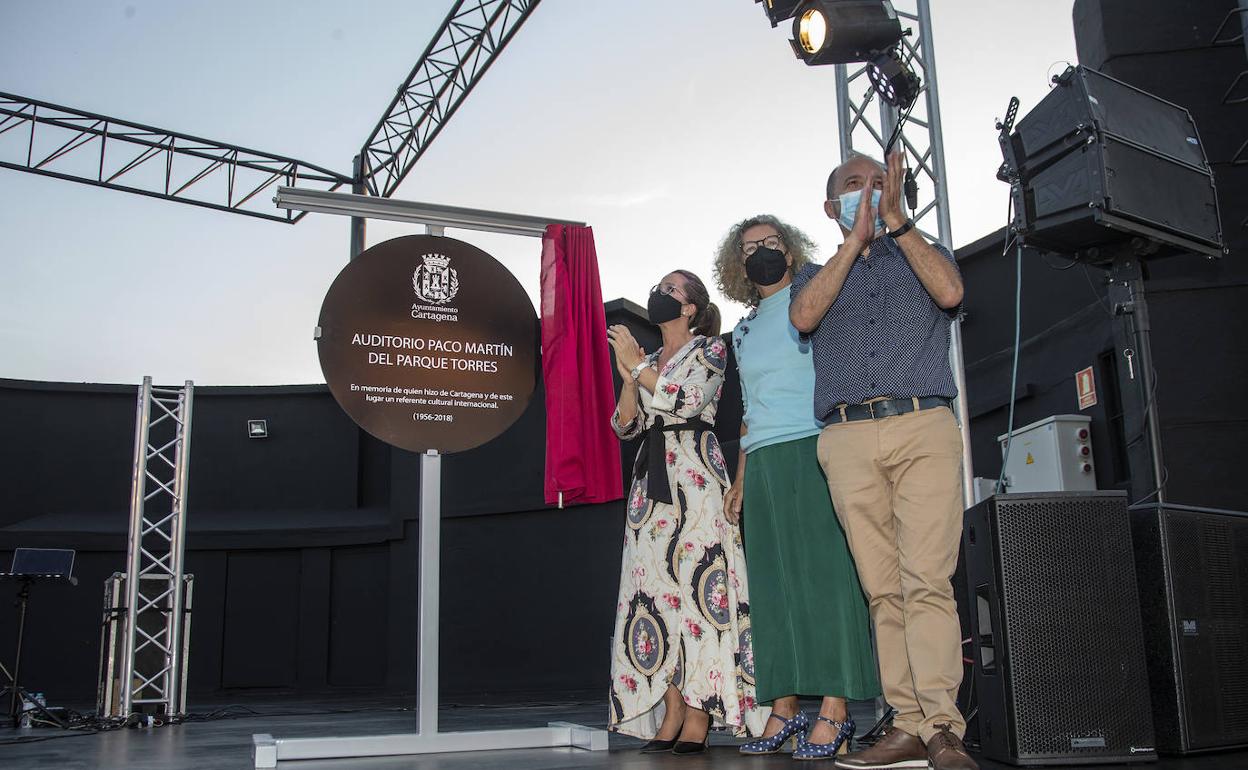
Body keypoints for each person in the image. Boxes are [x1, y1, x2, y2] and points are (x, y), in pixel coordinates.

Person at [789, 152, 977, 770]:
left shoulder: (924, 252)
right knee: (882, 592)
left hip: (922, 422)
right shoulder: (816, 273)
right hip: (845, 436)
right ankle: (908, 724)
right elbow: (804, 315)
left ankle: (943, 726)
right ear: (829, 207)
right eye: (852, 186)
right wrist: (854, 244)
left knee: (926, 581)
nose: (867, 193)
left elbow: (951, 292)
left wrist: (897, 224)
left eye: (877, 183)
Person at [712, 215, 880, 760]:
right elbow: (747, 413)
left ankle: (835, 711)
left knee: (827, 578)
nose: (761, 252)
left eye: (771, 243)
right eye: (750, 247)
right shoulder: (741, 328)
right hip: (761, 460)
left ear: (791, 250)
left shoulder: (816, 297)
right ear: (738, 264)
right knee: (773, 585)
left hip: (816, 444)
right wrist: (740, 477)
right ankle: (783, 709)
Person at [606, 269, 767, 755]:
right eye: (656, 286)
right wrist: (629, 376)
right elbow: (623, 426)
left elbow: (684, 401)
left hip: (695, 478)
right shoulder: (649, 359)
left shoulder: (710, 349)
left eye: (670, 289)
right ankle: (671, 709)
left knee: (701, 592)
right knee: (657, 595)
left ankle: (699, 712)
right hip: (649, 487)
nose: (658, 294)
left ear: (691, 306)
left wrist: (636, 369)